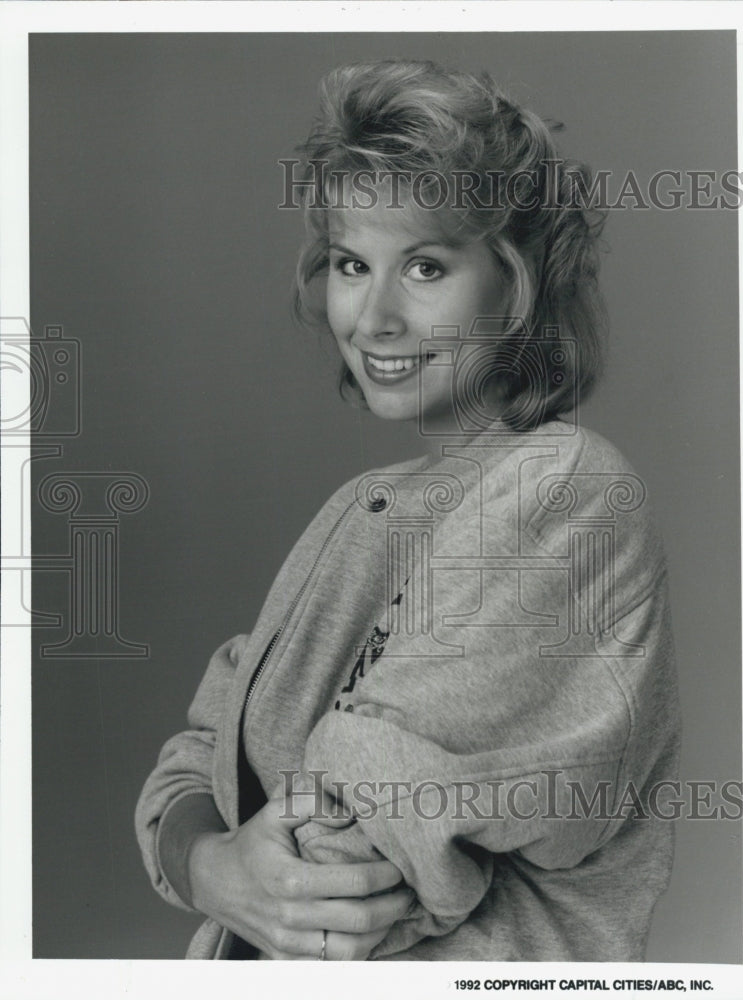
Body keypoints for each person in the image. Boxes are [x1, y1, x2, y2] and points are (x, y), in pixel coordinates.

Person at [135, 59, 680, 962]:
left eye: (424, 265)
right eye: (354, 264)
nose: (374, 316)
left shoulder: (565, 488)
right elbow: (202, 752)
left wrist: (232, 866)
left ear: (518, 285)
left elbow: (353, 859)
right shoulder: (357, 512)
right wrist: (206, 864)